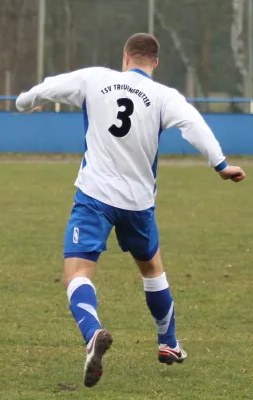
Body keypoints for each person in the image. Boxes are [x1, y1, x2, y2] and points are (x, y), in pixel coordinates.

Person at [16, 33, 246, 388]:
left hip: (95, 196)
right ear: (155, 62)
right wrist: (220, 165)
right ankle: (168, 343)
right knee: (152, 269)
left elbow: (49, 87)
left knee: (77, 274)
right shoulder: (163, 96)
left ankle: (93, 334)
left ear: (125, 57)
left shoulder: (96, 78)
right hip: (138, 204)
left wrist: (24, 100)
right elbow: (194, 125)